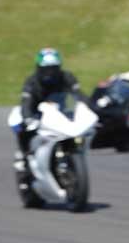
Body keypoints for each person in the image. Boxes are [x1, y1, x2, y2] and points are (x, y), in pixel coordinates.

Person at [14, 47, 85, 177]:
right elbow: (26, 103)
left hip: (61, 114)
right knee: (20, 125)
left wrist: (90, 110)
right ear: (39, 68)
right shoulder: (31, 82)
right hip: (38, 117)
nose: (50, 73)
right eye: (46, 69)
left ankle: (73, 153)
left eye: (53, 69)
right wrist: (28, 118)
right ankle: (24, 156)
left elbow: (79, 96)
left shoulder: (67, 77)